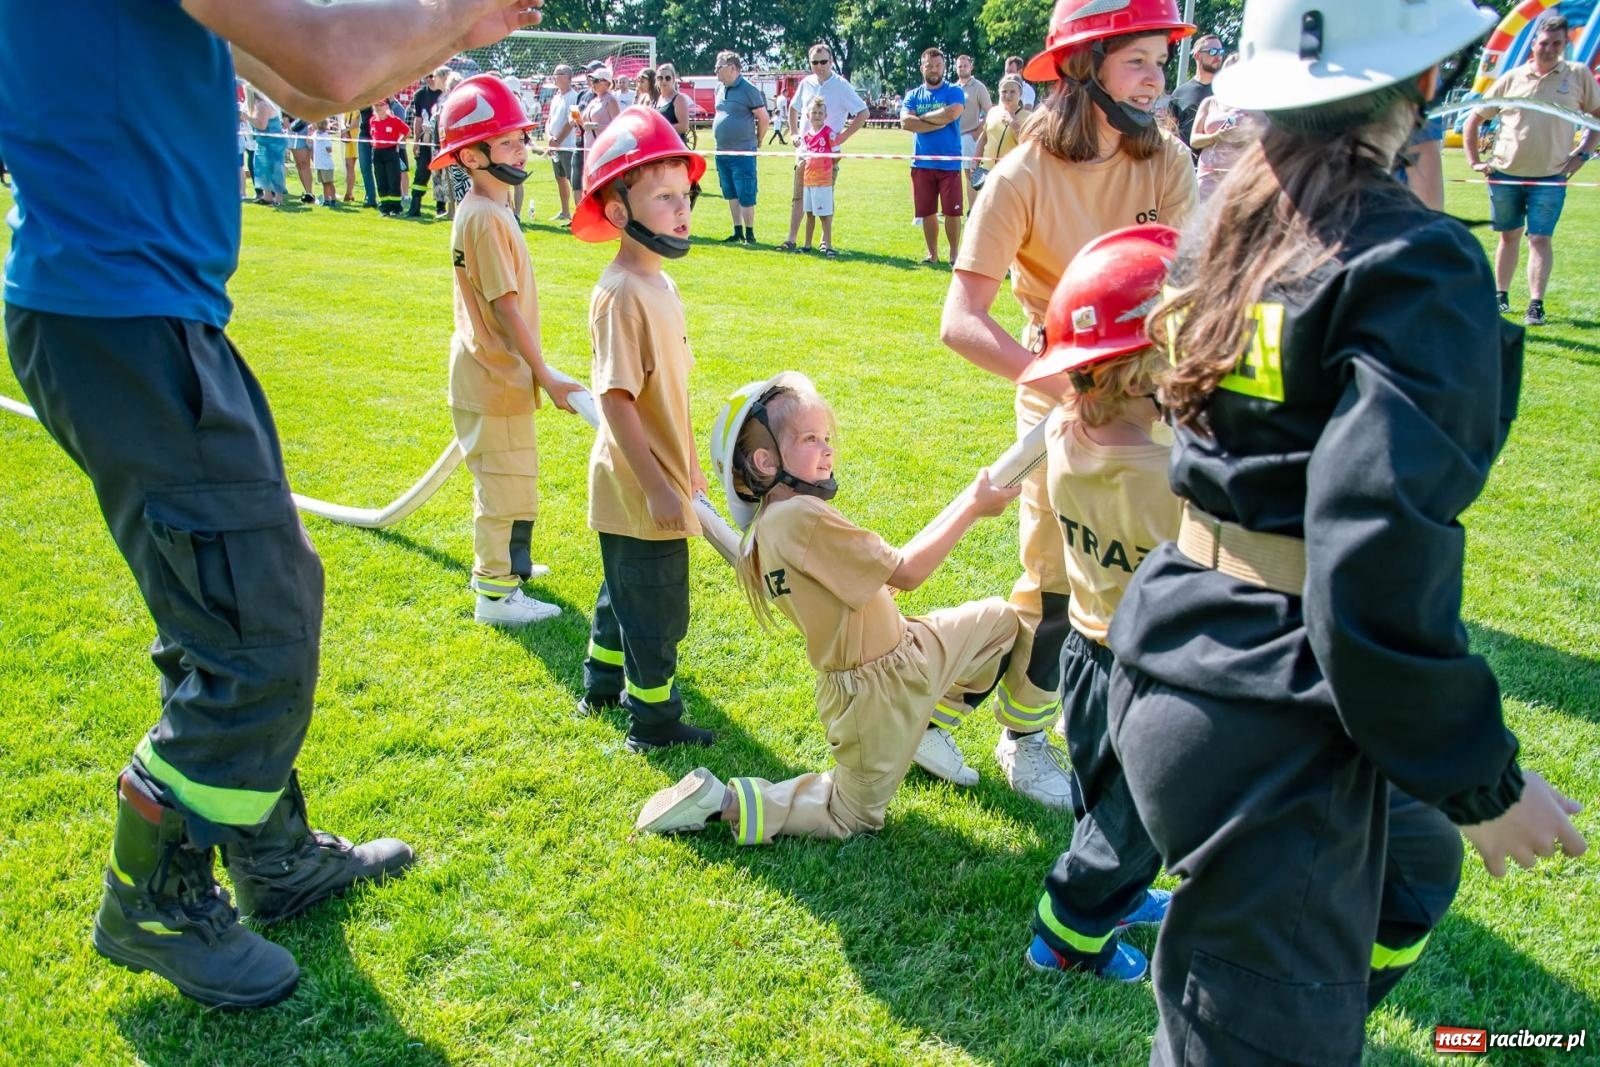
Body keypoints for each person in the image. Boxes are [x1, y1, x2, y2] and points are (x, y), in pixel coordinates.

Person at [0, 0, 545, 1011]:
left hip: (130, 310)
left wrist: (456, 34)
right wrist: (457, 13)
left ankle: (274, 853)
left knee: (246, 591)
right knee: (260, 623)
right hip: (121, 312)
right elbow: (331, 67)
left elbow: (299, 84)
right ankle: (152, 895)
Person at [1111, 2, 1587, 1062]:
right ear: (1423, 83)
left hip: (1184, 653)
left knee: (1410, 866)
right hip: (1270, 709)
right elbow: (1369, 554)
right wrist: (1481, 781)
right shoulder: (1407, 260)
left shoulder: (1239, 220)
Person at [939, 0, 1198, 811]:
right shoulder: (1022, 173)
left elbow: (1194, 288)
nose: (1158, 78)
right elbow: (961, 320)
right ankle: (1019, 737)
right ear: (1083, 70)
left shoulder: (1169, 161)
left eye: (1162, 60)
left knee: (1152, 572)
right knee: (1055, 585)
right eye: (1138, 62)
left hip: (1155, 393)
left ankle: (948, 703)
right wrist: (1068, 388)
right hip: (1061, 392)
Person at [636, 373, 1023, 844]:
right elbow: (907, 573)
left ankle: (927, 726)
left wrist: (970, 499)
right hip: (873, 697)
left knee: (1001, 623)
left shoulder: (768, 531)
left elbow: (877, 583)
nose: (827, 449)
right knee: (849, 816)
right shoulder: (802, 516)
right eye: (809, 439)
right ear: (766, 459)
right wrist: (973, 506)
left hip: (909, 649)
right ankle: (724, 801)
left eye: (826, 438)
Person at [1012, 225, 1182, 983]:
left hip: (1084, 657)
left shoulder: (1062, 432)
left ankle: (1121, 894)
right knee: (1138, 816)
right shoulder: (1174, 470)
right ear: (1146, 370)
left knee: (1098, 792)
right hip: (1150, 672)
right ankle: (1067, 935)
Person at [570, 108, 717, 752]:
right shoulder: (622, 293)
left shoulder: (662, 283)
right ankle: (654, 723)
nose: (681, 210)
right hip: (637, 489)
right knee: (656, 610)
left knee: (622, 592)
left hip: (655, 479)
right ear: (620, 210)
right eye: (663, 197)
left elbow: (669, 397)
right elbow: (619, 401)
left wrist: (685, 465)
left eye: (684, 195)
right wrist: (659, 487)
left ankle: (600, 682)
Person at [429, 75, 584, 625]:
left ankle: (513, 566)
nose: (523, 148)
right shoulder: (486, 216)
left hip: (501, 376)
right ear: (471, 155)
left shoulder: (490, 209)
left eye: (522, 137)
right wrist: (544, 372)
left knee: (517, 476)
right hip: (494, 377)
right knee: (502, 487)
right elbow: (504, 307)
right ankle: (495, 594)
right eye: (510, 141)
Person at [1463, 13, 1600, 326]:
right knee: (1508, 236)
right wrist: (1474, 160)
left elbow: (1597, 117)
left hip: (1551, 177)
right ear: (1533, 45)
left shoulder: (1578, 75)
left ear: (1566, 44)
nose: (1549, 49)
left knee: (1540, 239)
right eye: (1544, 43)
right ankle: (1500, 296)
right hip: (1504, 173)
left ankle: (1535, 304)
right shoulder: (1512, 77)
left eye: (1557, 44)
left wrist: (1582, 155)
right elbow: (1475, 119)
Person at [781, 44, 867, 252]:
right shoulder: (806, 83)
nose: (819, 66)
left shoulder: (841, 85)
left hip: (827, 157)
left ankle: (824, 242)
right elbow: (793, 107)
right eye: (815, 62)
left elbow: (863, 112)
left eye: (824, 62)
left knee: (824, 199)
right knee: (799, 196)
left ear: (831, 61)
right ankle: (792, 239)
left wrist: (842, 138)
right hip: (805, 154)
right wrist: (793, 133)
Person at [901, 47, 966, 264]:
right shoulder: (913, 95)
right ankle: (933, 254)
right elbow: (906, 122)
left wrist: (922, 119)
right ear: (922, 68)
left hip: (950, 163)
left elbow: (953, 112)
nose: (934, 70)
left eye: (938, 65)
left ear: (944, 67)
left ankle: (954, 254)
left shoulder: (954, 91)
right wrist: (938, 121)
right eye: (929, 66)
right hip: (922, 162)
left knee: (952, 212)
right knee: (927, 211)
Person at [712, 51, 770, 246]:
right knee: (730, 191)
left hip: (743, 152)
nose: (716, 71)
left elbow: (763, 118)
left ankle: (750, 233)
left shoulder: (749, 90)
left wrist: (758, 140)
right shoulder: (719, 88)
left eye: (719, 67)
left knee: (746, 192)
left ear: (732, 68)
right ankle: (737, 231)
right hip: (722, 152)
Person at [1188, 57, 1265, 202]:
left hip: (1240, 177)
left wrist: (1245, 137)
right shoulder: (1210, 102)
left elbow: (1266, 141)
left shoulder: (1257, 106)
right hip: (1208, 177)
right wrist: (1216, 137)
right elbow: (1194, 141)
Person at [1167, 31, 1223, 152]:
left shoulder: (1227, 91)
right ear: (1197, 56)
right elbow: (1170, 132)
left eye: (1221, 52)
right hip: (1186, 164)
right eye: (1213, 51)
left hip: (1219, 163)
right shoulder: (1180, 93)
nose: (1218, 57)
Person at [798, 96, 837, 254]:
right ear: (808, 115)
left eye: (820, 113)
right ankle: (807, 245)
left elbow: (836, 155)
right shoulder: (807, 136)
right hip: (809, 180)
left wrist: (826, 167)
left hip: (823, 181)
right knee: (809, 214)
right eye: (814, 112)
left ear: (825, 115)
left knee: (824, 215)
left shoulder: (828, 133)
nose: (817, 115)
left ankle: (828, 247)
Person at [406, 69, 446, 217]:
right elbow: (418, 119)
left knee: (440, 175)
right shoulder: (420, 95)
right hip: (426, 140)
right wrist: (416, 140)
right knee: (421, 172)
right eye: (426, 76)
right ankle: (415, 206)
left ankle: (441, 208)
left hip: (440, 141)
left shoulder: (444, 95)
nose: (428, 79)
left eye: (431, 76)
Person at [953, 54, 993, 199]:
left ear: (971, 67)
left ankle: (973, 212)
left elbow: (991, 111)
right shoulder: (953, 88)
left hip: (969, 138)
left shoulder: (978, 87)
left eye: (965, 65)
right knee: (954, 176)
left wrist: (977, 132)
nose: (962, 68)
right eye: (959, 66)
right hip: (953, 138)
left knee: (972, 176)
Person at [545, 63, 580, 221]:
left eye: (559, 73)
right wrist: (549, 137)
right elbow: (549, 120)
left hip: (568, 146)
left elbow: (573, 120)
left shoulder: (574, 96)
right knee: (559, 178)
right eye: (555, 73)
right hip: (555, 146)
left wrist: (558, 139)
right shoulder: (555, 97)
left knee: (573, 180)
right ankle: (565, 211)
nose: (555, 77)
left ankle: (579, 214)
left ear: (568, 77)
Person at [369, 96, 411, 216]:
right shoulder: (373, 120)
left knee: (393, 180)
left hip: (391, 152)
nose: (378, 108)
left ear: (386, 106)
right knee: (381, 180)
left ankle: (395, 207)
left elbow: (407, 131)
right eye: (376, 106)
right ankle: (385, 207)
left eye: (380, 105)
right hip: (377, 152)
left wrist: (399, 141)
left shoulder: (394, 120)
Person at [247, 86, 287, 206]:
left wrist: (248, 118)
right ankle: (267, 196)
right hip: (263, 142)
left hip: (273, 143)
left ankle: (279, 198)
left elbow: (262, 126)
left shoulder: (262, 105)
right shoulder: (256, 106)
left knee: (275, 170)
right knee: (261, 168)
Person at [983, 75, 1031, 168]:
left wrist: (1014, 123)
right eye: (1004, 91)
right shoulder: (993, 111)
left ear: (1020, 94)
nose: (1008, 95)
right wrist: (975, 161)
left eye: (1012, 92)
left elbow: (1029, 146)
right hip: (986, 169)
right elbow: (984, 138)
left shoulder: (1028, 117)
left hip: (1011, 171)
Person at [580, 66, 621, 154]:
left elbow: (617, 128)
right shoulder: (593, 101)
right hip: (590, 148)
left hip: (604, 150)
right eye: (592, 80)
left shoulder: (611, 100)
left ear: (607, 83)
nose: (592, 83)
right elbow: (584, 123)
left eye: (596, 80)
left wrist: (596, 126)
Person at [654, 63, 693, 143]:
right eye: (660, 78)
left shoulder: (679, 99)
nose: (663, 81)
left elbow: (684, 126)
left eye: (667, 78)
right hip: (661, 147)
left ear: (673, 79)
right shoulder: (658, 99)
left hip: (675, 147)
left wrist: (661, 131)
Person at [311, 117, 339, 205]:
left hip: (326, 164)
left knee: (329, 182)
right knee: (324, 183)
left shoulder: (325, 136)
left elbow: (329, 149)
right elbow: (310, 139)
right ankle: (326, 199)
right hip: (319, 164)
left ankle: (333, 199)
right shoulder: (315, 134)